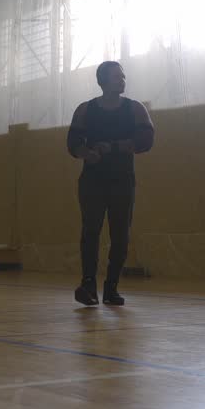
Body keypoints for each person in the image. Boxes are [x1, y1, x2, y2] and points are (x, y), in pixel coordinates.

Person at [66, 61, 155, 306]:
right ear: (103, 80)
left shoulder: (135, 109)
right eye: (117, 76)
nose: (123, 80)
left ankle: (111, 288)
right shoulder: (85, 109)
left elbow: (147, 139)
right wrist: (86, 153)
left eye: (124, 76)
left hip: (122, 181)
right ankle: (88, 285)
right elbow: (72, 142)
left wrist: (114, 147)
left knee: (120, 236)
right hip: (92, 181)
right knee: (91, 231)